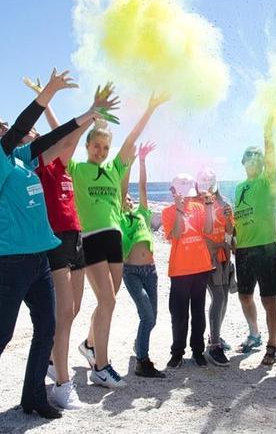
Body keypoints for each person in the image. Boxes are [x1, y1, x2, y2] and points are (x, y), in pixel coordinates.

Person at [0, 69, 113, 433]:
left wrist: (88, 115)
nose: (4, 128)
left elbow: (51, 141)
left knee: (48, 327)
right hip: (8, 261)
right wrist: (49, 94)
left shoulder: (18, 158)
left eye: (2, 126)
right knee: (1, 334)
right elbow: (18, 131)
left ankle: (33, 397)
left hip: (38, 257)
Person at [25, 80, 116, 410]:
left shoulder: (61, 165)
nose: (36, 136)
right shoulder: (37, 167)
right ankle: (63, 384)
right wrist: (89, 114)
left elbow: (68, 138)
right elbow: (63, 138)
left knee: (73, 309)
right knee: (63, 314)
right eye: (30, 136)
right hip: (56, 240)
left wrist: (93, 114)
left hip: (75, 237)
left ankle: (52, 361)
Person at [69, 91, 170, 389]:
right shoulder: (77, 169)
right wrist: (89, 114)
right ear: (87, 146)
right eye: (96, 146)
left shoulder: (114, 170)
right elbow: (66, 142)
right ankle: (101, 366)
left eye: (104, 147)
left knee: (105, 304)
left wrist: (150, 108)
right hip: (92, 239)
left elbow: (131, 140)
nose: (100, 151)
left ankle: (89, 345)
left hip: (115, 242)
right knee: (109, 302)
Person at [233, 119, 276, 366]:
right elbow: (238, 217)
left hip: (266, 247)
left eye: (257, 157)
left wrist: (267, 132)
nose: (253, 160)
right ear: (243, 162)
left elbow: (272, 156)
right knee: (244, 296)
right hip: (242, 249)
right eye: (248, 157)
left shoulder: (267, 180)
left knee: (268, 298)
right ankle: (255, 334)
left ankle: (273, 345)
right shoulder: (240, 187)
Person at [119, 141, 166, 378]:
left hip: (151, 271)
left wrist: (143, 161)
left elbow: (143, 188)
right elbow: (121, 188)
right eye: (124, 198)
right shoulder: (118, 218)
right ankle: (142, 361)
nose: (128, 199)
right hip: (132, 273)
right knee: (147, 316)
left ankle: (139, 347)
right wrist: (129, 161)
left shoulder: (141, 215)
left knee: (152, 318)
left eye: (129, 198)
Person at [163, 174, 214, 368]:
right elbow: (176, 233)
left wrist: (209, 207)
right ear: (174, 192)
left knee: (198, 312)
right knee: (179, 314)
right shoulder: (168, 212)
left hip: (201, 267)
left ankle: (198, 350)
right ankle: (177, 352)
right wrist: (178, 209)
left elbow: (208, 230)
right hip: (179, 270)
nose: (187, 197)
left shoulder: (199, 207)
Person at [196, 168, 235, 367]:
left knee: (224, 299)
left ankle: (215, 335)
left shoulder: (225, 203)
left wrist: (229, 218)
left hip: (224, 257)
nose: (207, 186)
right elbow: (201, 233)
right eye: (203, 182)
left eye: (210, 181)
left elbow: (229, 233)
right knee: (218, 297)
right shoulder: (197, 204)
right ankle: (213, 345)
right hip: (208, 258)